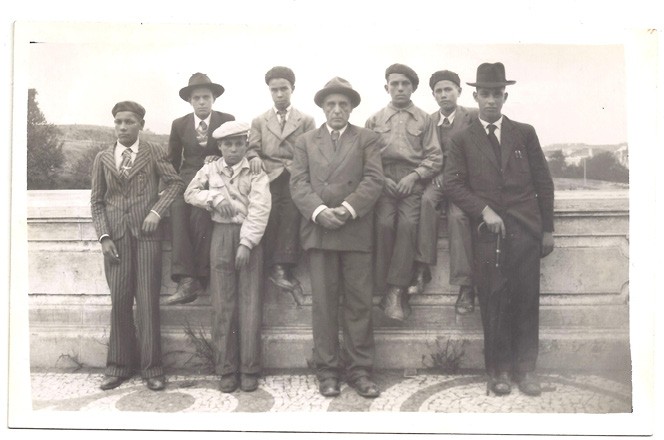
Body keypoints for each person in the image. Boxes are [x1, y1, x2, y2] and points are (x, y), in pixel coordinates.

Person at [443, 62, 555, 396]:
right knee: (494, 300)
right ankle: (499, 371)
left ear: (505, 96)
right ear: (475, 96)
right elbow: (452, 183)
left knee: (525, 299)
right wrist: (484, 210)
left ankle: (526, 370)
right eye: (485, 94)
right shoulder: (462, 138)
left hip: (525, 230)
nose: (491, 100)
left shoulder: (524, 132)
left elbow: (543, 182)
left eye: (497, 94)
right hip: (487, 233)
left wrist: (547, 229)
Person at [290, 77, 384, 398]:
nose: (337, 110)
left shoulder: (367, 138)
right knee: (325, 305)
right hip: (319, 232)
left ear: (352, 107)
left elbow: (373, 180)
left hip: (355, 231)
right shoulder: (305, 141)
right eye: (331, 104)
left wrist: (346, 209)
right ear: (322, 107)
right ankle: (327, 370)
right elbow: (298, 183)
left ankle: (360, 370)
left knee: (359, 304)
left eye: (343, 104)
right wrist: (319, 212)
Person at [90, 101, 184, 391]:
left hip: (146, 239)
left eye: (129, 122)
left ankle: (152, 368)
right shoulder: (103, 157)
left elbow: (175, 184)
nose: (122, 127)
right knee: (119, 303)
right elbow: (96, 202)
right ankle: (118, 366)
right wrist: (104, 237)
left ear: (141, 124)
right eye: (118, 122)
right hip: (115, 240)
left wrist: (156, 212)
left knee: (146, 303)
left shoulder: (153, 152)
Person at [184, 121, 271, 393]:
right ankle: (226, 368)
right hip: (220, 236)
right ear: (219, 146)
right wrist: (212, 198)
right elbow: (190, 193)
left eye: (238, 143)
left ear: (246, 144)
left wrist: (246, 243)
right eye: (227, 144)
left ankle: (249, 368)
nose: (233, 148)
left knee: (250, 303)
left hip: (249, 239)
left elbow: (260, 208)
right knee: (223, 304)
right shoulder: (210, 169)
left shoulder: (256, 172)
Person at [365, 63, 442, 322]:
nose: (399, 88)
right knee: (385, 224)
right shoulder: (374, 120)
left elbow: (434, 156)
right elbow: (367, 156)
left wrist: (415, 176)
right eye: (394, 83)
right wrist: (382, 178)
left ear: (413, 88)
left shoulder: (424, 119)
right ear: (386, 86)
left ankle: (396, 291)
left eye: (405, 84)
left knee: (409, 224)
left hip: (412, 182)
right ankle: (382, 288)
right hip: (384, 182)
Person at [409, 70, 478, 315]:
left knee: (458, 218)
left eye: (448, 89)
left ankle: (465, 286)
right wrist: (435, 175)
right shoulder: (428, 121)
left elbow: (478, 155)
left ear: (459, 91)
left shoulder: (472, 116)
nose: (444, 94)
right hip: (437, 179)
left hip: (462, 182)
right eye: (439, 91)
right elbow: (426, 154)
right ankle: (422, 267)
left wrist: (454, 177)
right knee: (426, 201)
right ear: (433, 95)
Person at [163, 73, 235, 305]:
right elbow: (171, 160)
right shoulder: (179, 124)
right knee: (177, 209)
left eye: (206, 97)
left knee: (202, 214)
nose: (202, 102)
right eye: (197, 98)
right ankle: (185, 278)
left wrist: (220, 156)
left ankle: (200, 277)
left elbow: (236, 150)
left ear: (214, 98)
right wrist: (165, 187)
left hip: (215, 180)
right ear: (190, 101)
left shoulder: (227, 120)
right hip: (186, 179)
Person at [247, 66, 315, 304]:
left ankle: (282, 267)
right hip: (270, 174)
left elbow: (311, 149)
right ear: (269, 91)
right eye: (274, 90)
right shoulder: (259, 121)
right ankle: (271, 267)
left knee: (294, 211)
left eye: (283, 89)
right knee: (270, 211)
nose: (279, 94)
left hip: (295, 173)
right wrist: (254, 157)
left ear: (292, 89)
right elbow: (252, 147)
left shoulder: (306, 120)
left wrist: (299, 170)